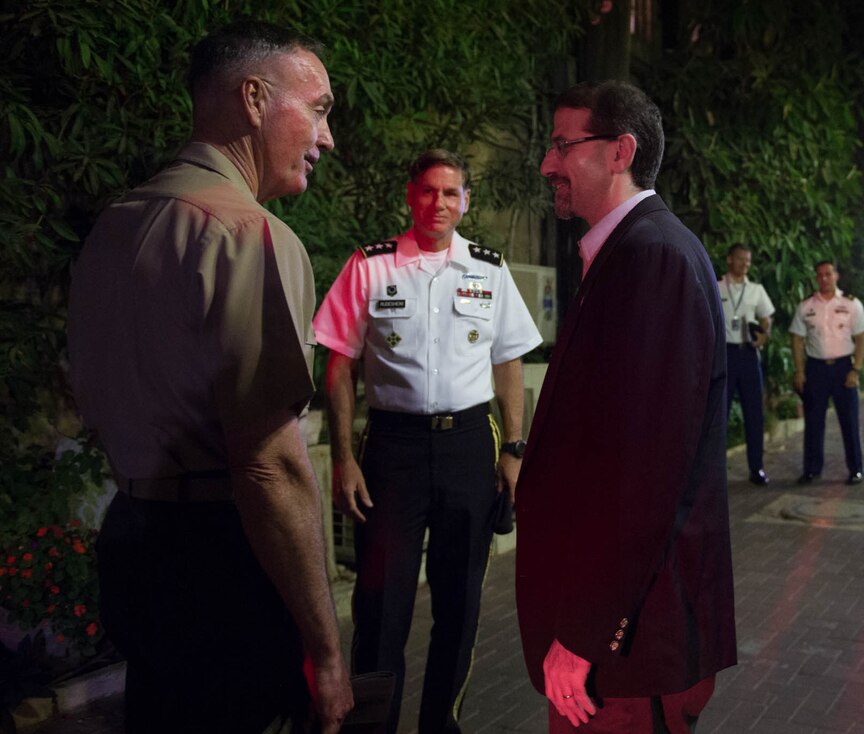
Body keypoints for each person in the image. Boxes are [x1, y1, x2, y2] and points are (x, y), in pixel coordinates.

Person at [67, 21, 353, 733]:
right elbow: (270, 470)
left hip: (134, 538)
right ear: (253, 98)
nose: (328, 138)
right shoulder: (248, 234)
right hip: (221, 561)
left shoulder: (115, 224)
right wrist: (326, 648)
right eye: (317, 109)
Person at [515, 80, 737, 733]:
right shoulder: (629, 254)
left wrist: (584, 635)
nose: (547, 164)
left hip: (631, 651)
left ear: (620, 152)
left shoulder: (651, 259)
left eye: (562, 145)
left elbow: (640, 474)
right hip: (630, 638)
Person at [313, 148, 542, 733]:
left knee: (460, 603)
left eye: (450, 193)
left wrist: (513, 450)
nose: (438, 203)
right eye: (427, 191)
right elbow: (337, 364)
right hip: (393, 450)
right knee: (380, 603)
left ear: (465, 201)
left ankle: (441, 723)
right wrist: (343, 458)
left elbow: (508, 361)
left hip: (470, 445)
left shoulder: (489, 271)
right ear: (409, 195)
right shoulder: (370, 266)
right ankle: (374, 727)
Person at [788, 261, 864, 486]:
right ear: (816, 278)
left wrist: (856, 369)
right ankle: (812, 470)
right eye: (820, 275)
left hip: (844, 368)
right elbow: (797, 338)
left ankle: (856, 469)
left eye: (828, 274)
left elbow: (862, 337)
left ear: (836, 276)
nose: (824, 278)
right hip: (815, 369)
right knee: (814, 422)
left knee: (849, 421)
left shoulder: (851, 304)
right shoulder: (806, 306)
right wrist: (799, 370)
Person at [719, 244, 775, 485]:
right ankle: (714, 471)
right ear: (730, 259)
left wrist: (764, 334)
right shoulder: (717, 285)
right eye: (741, 259)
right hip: (724, 354)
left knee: (754, 413)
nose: (745, 264)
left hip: (748, 354)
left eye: (748, 260)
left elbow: (766, 318)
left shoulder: (756, 290)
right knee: (718, 413)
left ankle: (757, 468)